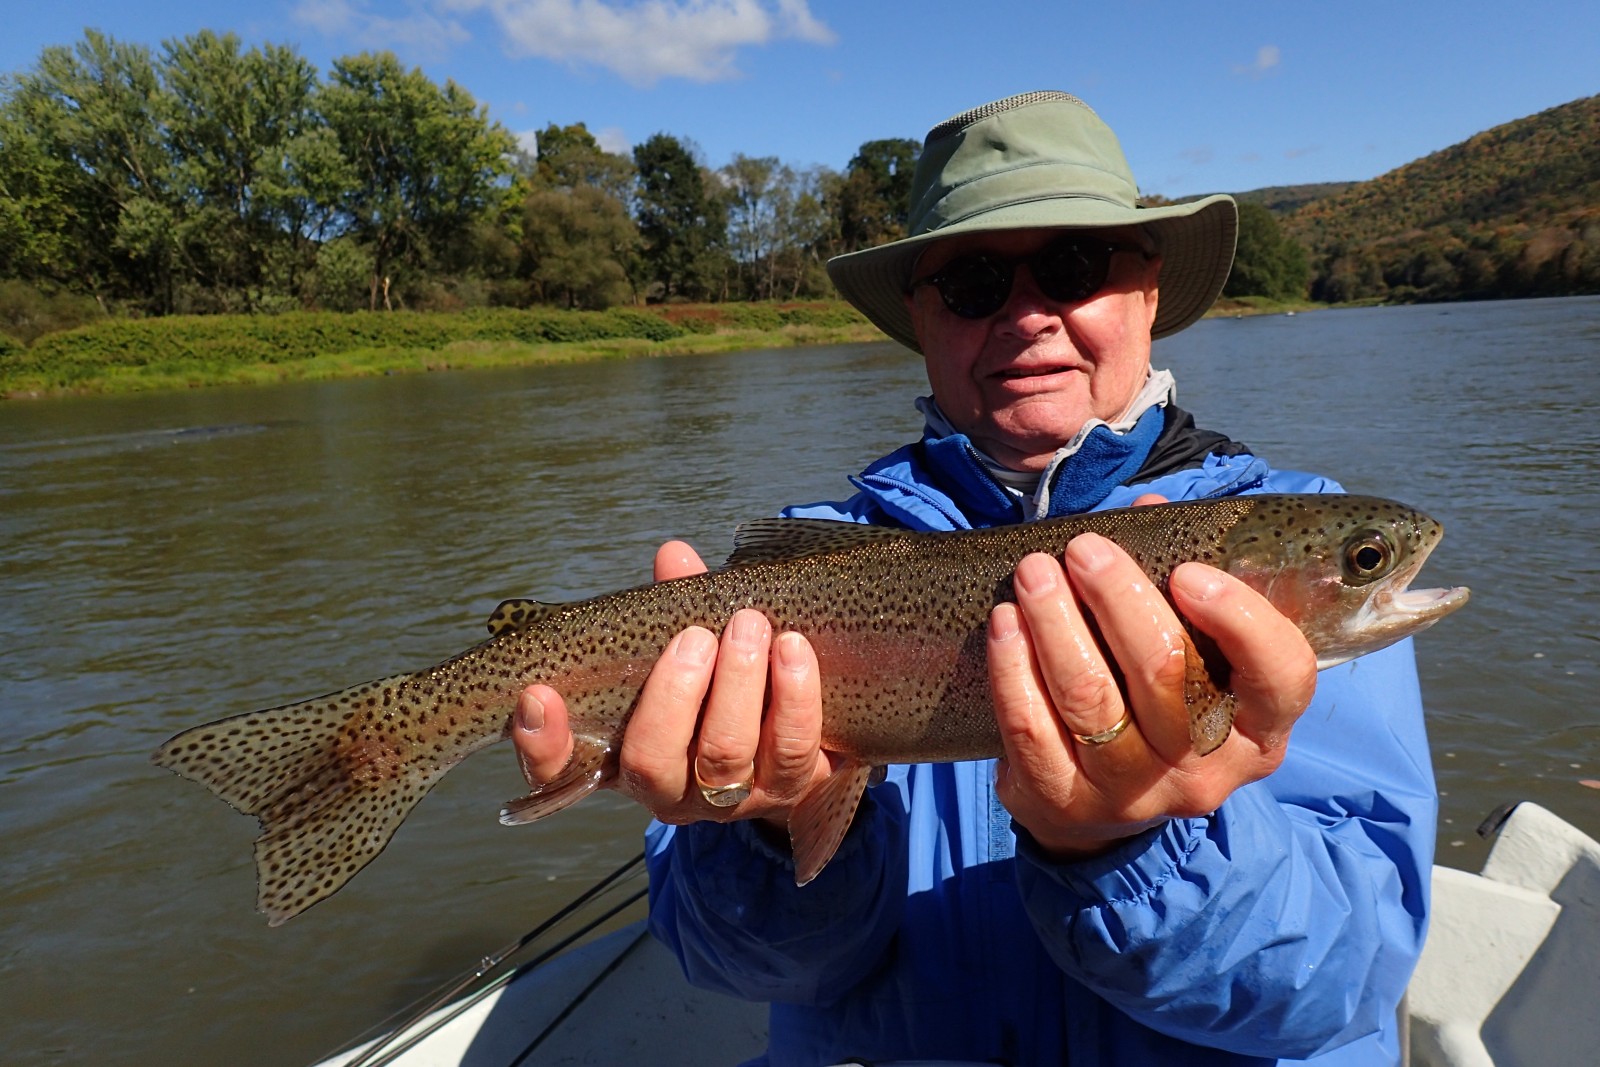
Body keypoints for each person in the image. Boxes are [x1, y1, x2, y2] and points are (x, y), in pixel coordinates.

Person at [512, 91, 1434, 1066]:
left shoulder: (1289, 515)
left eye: (1074, 265)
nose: (1028, 314)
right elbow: (745, 968)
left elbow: (1341, 982)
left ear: (1150, 287)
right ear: (919, 313)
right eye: (972, 283)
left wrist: (1127, 842)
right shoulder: (811, 558)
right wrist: (775, 830)